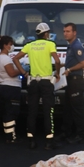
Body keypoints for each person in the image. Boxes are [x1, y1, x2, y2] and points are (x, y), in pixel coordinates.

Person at [12, 22, 60, 150]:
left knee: (32, 111)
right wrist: (58, 74)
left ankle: (31, 140)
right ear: (45, 34)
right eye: (48, 33)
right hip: (46, 82)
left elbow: (15, 59)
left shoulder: (29, 45)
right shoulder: (50, 44)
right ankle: (49, 141)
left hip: (33, 82)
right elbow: (57, 60)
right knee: (47, 111)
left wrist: (24, 73)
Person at [61, 22, 84, 144]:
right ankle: (66, 132)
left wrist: (69, 69)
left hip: (76, 82)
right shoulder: (70, 46)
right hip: (70, 82)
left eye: (68, 31)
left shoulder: (77, 46)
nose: (65, 34)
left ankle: (80, 134)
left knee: (77, 109)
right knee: (68, 109)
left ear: (74, 32)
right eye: (64, 31)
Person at [0, 35, 22, 143]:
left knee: (6, 112)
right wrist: (21, 69)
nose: (12, 46)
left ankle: (8, 134)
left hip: (3, 87)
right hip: (11, 88)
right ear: (5, 46)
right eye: (10, 44)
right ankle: (11, 137)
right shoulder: (5, 58)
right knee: (12, 112)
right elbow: (11, 73)